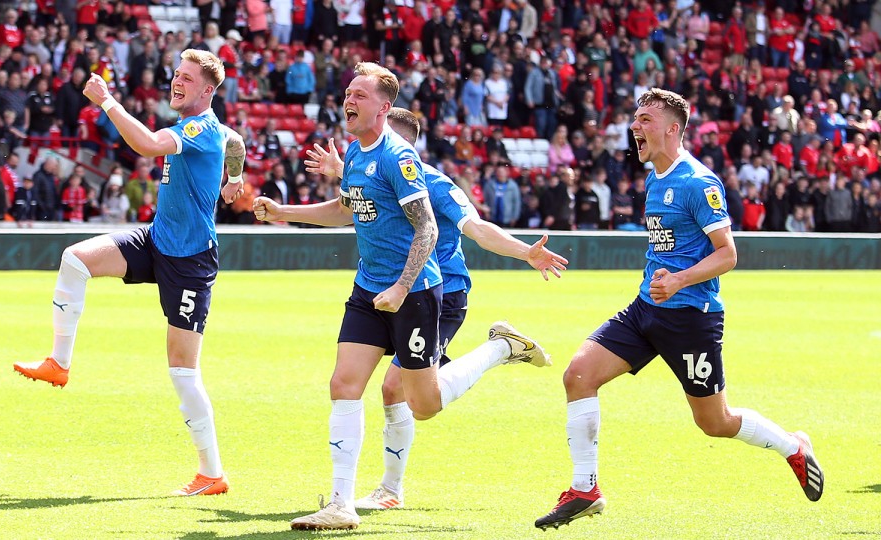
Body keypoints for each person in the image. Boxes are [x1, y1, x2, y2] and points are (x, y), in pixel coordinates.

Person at [252, 62, 553, 531]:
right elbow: (346, 209)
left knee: (422, 403)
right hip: (369, 289)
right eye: (347, 91)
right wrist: (283, 212)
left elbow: (439, 228)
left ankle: (499, 348)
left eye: (359, 94)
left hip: (419, 294)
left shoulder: (405, 162)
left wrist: (402, 285)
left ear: (385, 110)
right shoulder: (355, 153)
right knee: (344, 385)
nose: (348, 100)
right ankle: (340, 503)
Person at [534, 88, 824, 530]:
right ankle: (585, 488)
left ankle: (793, 446)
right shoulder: (654, 178)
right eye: (636, 119)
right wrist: (662, 282)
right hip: (646, 309)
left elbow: (727, 254)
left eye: (645, 120)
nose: (635, 127)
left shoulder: (698, 182)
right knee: (578, 374)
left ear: (673, 129)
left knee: (715, 422)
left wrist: (680, 279)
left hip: (691, 317)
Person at [12, 50, 247, 498]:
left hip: (191, 262)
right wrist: (233, 177)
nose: (177, 82)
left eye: (187, 78)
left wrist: (107, 100)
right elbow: (234, 144)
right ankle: (59, 363)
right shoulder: (211, 130)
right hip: (158, 240)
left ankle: (212, 473)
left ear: (208, 90)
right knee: (75, 258)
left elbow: (146, 144)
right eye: (176, 74)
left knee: (183, 372)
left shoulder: (197, 129)